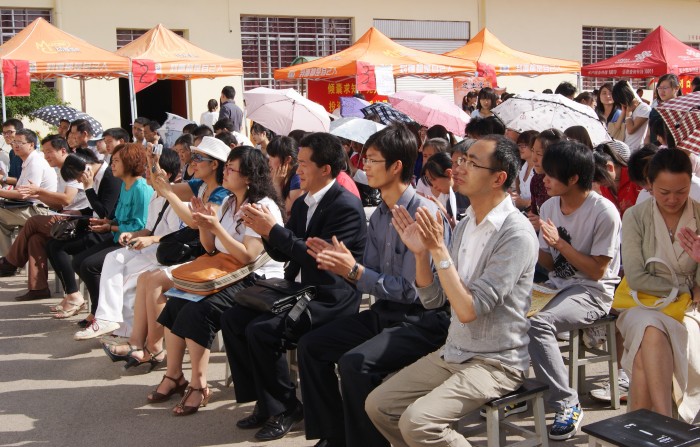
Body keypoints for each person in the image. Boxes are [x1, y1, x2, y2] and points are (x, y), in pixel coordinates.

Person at [365, 135, 538, 447]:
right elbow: (433, 301)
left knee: (418, 422)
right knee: (379, 406)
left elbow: (469, 310)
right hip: (455, 350)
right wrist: (421, 255)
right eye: (461, 160)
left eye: (472, 163)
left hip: (497, 362)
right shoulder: (468, 221)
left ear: (498, 178)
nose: (458, 168)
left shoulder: (516, 234)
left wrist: (439, 252)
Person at [297, 124, 450, 447]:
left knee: (355, 364)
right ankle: (335, 434)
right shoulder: (380, 214)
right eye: (364, 158)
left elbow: (413, 291)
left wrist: (354, 272)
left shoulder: (425, 213)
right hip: (386, 312)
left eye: (372, 160)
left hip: (423, 320)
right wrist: (345, 267)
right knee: (312, 346)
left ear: (396, 166)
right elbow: (373, 275)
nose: (363, 165)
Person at [220, 132, 367, 442]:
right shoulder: (303, 203)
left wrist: (273, 229)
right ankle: (266, 399)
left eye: (303, 163)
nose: (297, 169)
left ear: (325, 169)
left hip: (329, 296)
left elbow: (320, 257)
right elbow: (284, 251)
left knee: (263, 330)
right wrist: (263, 233)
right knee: (234, 319)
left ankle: (285, 407)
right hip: (298, 288)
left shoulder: (346, 206)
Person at [151, 146, 285, 416]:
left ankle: (199, 385)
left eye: (232, 169)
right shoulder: (229, 201)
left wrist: (217, 227)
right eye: (226, 167)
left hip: (255, 278)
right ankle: (174, 375)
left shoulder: (260, 207)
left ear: (248, 177)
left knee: (198, 311)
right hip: (224, 270)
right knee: (176, 300)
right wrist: (204, 224)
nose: (226, 172)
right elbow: (210, 249)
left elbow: (249, 255)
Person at [103, 136, 230, 370]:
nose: (193, 162)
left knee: (152, 280)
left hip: (208, 259)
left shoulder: (220, 193)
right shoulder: (200, 186)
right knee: (144, 278)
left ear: (215, 164)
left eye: (199, 158)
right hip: (196, 255)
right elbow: (160, 185)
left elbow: (194, 222)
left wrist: (170, 194)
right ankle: (136, 343)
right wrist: (154, 164)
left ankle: (155, 348)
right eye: (194, 157)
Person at [527, 140, 621, 440]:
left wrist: (559, 244)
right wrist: (529, 238)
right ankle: (512, 388)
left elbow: (597, 271)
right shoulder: (551, 204)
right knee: (501, 307)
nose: (544, 179)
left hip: (593, 292)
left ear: (573, 179)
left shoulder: (604, 212)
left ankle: (567, 402)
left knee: (537, 323)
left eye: (551, 174)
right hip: (558, 286)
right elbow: (550, 265)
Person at [619, 149, 700, 418]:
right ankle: (666, 421)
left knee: (647, 345)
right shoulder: (635, 216)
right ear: (650, 185)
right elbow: (636, 275)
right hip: (643, 301)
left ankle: (649, 426)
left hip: (689, 310)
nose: (673, 199)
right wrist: (685, 289)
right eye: (664, 192)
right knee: (650, 325)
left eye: (682, 191)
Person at [92, 149, 182, 337]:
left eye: (152, 169)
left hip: (163, 254)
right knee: (113, 257)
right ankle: (106, 319)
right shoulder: (153, 196)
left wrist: (149, 239)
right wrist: (132, 234)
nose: (147, 173)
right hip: (148, 248)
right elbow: (148, 228)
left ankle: (127, 334)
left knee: (125, 282)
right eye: (148, 168)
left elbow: (176, 236)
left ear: (168, 175)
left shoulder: (176, 200)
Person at [73, 143, 154, 340]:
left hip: (132, 242)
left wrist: (110, 227)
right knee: (78, 261)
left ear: (130, 162)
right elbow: (119, 217)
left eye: (116, 161)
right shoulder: (125, 186)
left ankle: (103, 315)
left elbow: (140, 225)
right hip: (118, 237)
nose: (112, 165)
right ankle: (100, 311)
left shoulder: (141, 188)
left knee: (90, 266)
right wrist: (108, 223)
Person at [0, 135, 86, 301]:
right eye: (44, 152)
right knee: (35, 239)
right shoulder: (60, 169)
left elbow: (67, 199)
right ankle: (38, 288)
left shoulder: (72, 167)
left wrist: (38, 192)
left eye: (48, 152)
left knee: (33, 222)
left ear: (62, 151)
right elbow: (56, 201)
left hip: (77, 221)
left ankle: (10, 262)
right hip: (62, 215)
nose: (45, 156)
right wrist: (38, 193)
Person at [46, 149, 122, 320]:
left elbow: (105, 213)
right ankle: (72, 294)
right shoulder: (97, 175)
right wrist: (76, 212)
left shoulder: (110, 177)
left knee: (67, 252)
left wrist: (88, 188)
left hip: (108, 230)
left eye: (78, 178)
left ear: (86, 168)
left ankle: (87, 304)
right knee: (52, 244)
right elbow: (96, 209)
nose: (80, 181)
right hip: (97, 225)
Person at [0, 129, 58, 257]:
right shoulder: (28, 161)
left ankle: (8, 262)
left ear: (31, 144)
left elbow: (23, 194)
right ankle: (7, 259)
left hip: (39, 210)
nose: (15, 145)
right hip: (28, 207)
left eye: (20, 142)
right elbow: (19, 191)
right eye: (14, 142)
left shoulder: (35, 162)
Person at [527, 128, 566, 231]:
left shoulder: (564, 184)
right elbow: (534, 212)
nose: (534, 158)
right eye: (533, 151)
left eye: (539, 154)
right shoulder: (536, 180)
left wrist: (544, 225)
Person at [267, 136, 302, 218]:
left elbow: (286, 210)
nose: (269, 160)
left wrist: (277, 184)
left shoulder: (298, 177)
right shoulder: (279, 173)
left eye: (272, 156)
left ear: (287, 159)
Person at [612, 80, 651, 152]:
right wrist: (624, 112)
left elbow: (631, 130)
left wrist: (628, 113)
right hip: (624, 149)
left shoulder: (644, 108)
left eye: (621, 100)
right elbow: (616, 128)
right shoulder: (627, 108)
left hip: (637, 151)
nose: (621, 103)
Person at [648, 74, 681, 145]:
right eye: (659, 88)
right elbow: (648, 134)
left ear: (676, 88)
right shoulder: (655, 110)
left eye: (665, 88)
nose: (661, 91)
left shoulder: (682, 110)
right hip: (655, 150)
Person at [511, 130, 538, 211]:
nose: (520, 149)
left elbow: (542, 200)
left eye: (523, 146)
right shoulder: (523, 168)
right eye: (519, 145)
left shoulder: (540, 171)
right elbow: (521, 195)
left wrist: (524, 202)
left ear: (534, 147)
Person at [0, 118, 25, 187]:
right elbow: (12, 177)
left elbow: (24, 180)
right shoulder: (12, 153)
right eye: (4, 133)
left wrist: (2, 178)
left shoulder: (25, 152)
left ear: (20, 132)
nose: (6, 135)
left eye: (10, 132)